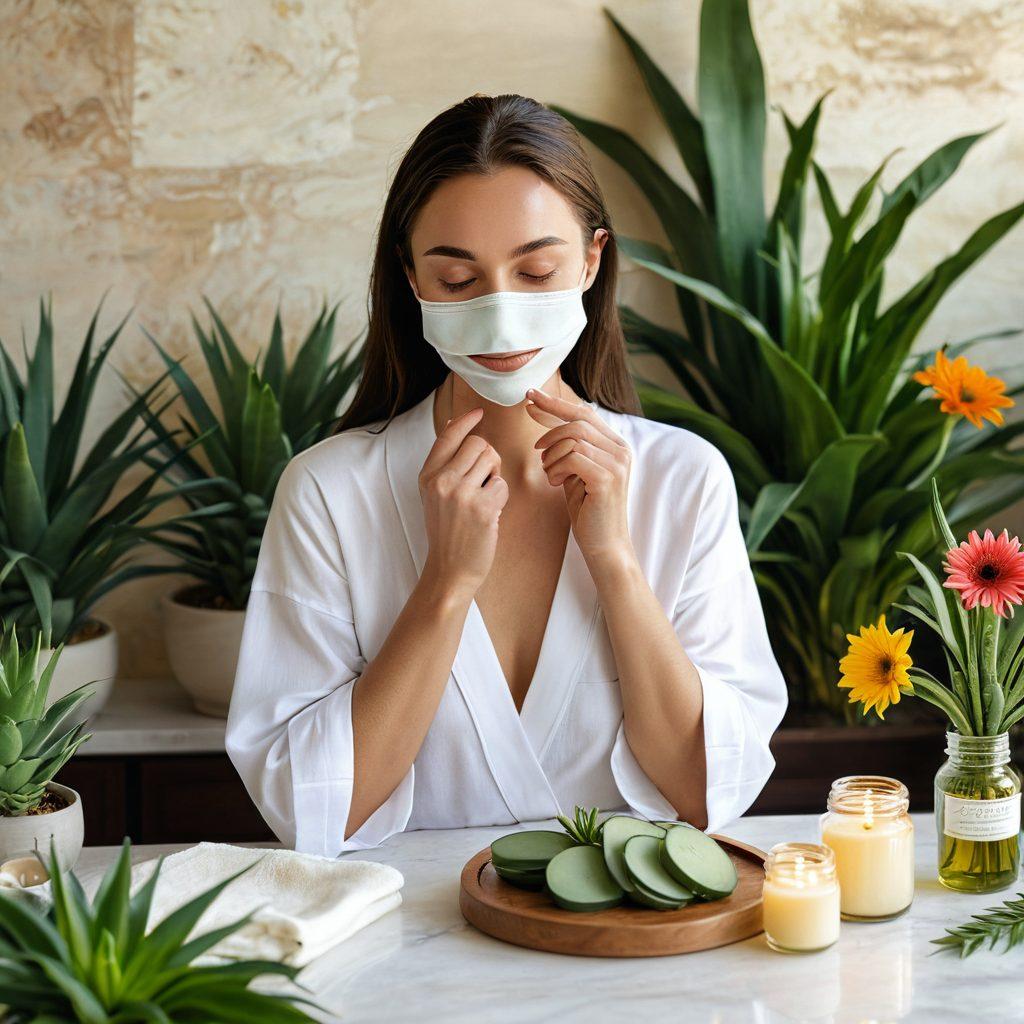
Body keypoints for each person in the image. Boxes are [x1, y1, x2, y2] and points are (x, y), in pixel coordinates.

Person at [225, 93, 787, 857]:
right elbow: (313, 808)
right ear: (411, 275)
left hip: (635, 956)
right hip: (405, 959)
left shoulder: (684, 478)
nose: (498, 315)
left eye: (536, 271)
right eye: (459, 282)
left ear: (591, 260)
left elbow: (708, 790)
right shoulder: (328, 492)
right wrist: (444, 584)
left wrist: (615, 562)